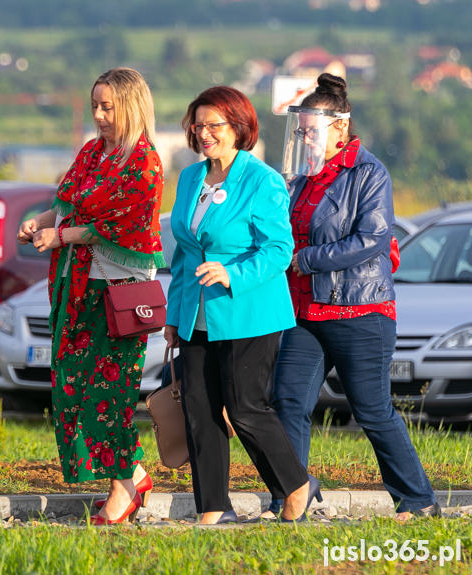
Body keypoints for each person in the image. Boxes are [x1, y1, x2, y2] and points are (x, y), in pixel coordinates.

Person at [265, 73, 439, 521]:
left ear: (339, 127)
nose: (303, 137)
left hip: (360, 310)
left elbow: (373, 239)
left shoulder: (369, 173)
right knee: (288, 401)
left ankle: (418, 501)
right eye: (299, 129)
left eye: (310, 129)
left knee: (372, 410)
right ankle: (292, 495)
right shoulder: (302, 177)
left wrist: (305, 260)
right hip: (304, 312)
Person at [164, 86, 321, 525]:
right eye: (198, 125)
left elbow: (277, 249)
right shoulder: (191, 178)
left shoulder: (262, 180)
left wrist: (232, 273)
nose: (205, 133)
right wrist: (174, 316)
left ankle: (295, 484)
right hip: (195, 313)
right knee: (199, 408)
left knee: (245, 408)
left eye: (215, 125)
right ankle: (213, 506)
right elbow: (184, 254)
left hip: (249, 312)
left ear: (239, 128)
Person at [18, 67, 164, 525]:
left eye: (108, 107)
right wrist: (41, 223)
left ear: (131, 106)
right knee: (71, 386)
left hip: (120, 292)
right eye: (95, 105)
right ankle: (132, 473)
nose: (99, 115)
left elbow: (123, 226)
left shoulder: (145, 163)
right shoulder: (91, 154)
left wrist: (62, 237)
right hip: (79, 287)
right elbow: (68, 205)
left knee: (110, 390)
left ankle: (124, 482)